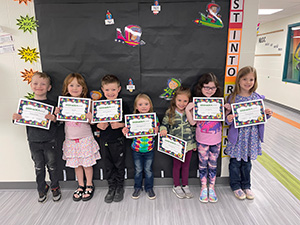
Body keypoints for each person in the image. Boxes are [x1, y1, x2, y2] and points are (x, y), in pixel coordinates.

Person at [225, 66, 273, 200]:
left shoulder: (257, 97)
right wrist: (228, 119)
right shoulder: (232, 98)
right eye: (245, 79)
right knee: (235, 163)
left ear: (255, 81)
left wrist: (267, 114)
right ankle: (235, 186)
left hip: (251, 137)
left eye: (251, 79)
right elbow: (227, 119)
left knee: (247, 163)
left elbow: (260, 117)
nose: (248, 82)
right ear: (238, 80)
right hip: (238, 137)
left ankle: (247, 185)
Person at [12, 72, 61, 203]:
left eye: (43, 84)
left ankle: (55, 187)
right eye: (35, 83)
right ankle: (41, 188)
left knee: (52, 166)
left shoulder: (52, 105)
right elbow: (18, 121)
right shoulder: (26, 105)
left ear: (49, 87)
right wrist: (16, 118)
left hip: (50, 140)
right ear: (31, 85)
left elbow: (59, 123)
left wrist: (55, 119)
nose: (39, 86)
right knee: (38, 166)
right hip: (33, 140)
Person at [55, 73, 100, 202]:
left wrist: (91, 118)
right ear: (66, 87)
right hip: (70, 140)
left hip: (85, 138)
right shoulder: (64, 103)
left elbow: (92, 123)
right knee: (76, 165)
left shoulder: (88, 103)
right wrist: (58, 114)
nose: (75, 88)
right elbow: (59, 121)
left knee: (87, 164)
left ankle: (89, 184)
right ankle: (80, 185)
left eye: (78, 85)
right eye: (71, 85)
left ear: (83, 88)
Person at [185, 72, 229, 203]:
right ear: (201, 87)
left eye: (213, 88)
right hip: (202, 140)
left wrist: (226, 110)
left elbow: (225, 121)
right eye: (206, 87)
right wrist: (188, 110)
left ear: (217, 88)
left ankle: (212, 187)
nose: (209, 90)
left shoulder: (219, 102)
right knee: (202, 164)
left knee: (213, 164)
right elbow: (192, 122)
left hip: (216, 140)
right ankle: (204, 187)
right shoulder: (197, 102)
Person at [97, 74, 130, 203]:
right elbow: (95, 124)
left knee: (119, 165)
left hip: (118, 141)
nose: (110, 93)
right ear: (102, 90)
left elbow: (130, 122)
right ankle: (111, 187)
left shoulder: (123, 104)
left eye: (113, 90)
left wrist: (120, 124)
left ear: (119, 89)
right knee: (108, 166)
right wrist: (99, 126)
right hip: (104, 140)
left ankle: (119, 187)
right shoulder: (99, 105)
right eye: (107, 90)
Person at [160, 87, 196, 199]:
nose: (182, 103)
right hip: (176, 146)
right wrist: (163, 129)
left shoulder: (190, 113)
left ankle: (185, 185)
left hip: (189, 145)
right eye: (179, 100)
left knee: (186, 166)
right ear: (175, 99)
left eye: (185, 101)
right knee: (177, 166)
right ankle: (176, 186)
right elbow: (164, 124)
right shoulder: (170, 112)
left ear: (189, 101)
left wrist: (194, 144)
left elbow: (194, 129)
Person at [122, 94, 159, 200]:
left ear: (150, 105)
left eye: (146, 104)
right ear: (136, 107)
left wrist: (157, 129)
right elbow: (129, 135)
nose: (143, 106)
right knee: (138, 170)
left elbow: (156, 129)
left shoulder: (153, 118)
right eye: (140, 104)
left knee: (148, 170)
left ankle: (149, 188)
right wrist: (125, 132)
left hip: (149, 149)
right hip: (136, 150)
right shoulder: (132, 119)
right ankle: (137, 187)